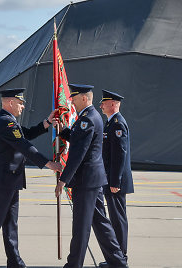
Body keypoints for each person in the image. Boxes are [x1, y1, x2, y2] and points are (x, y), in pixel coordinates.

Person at [0, 88, 63, 268]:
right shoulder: (5, 123)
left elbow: (25, 134)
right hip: (4, 182)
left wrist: (47, 122)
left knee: (11, 224)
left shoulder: (9, 121)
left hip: (10, 181)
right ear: (10, 102)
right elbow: (24, 146)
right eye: (20, 103)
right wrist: (48, 164)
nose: (23, 106)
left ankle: (15, 262)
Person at [55, 84, 127, 268]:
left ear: (84, 99)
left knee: (81, 226)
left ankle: (74, 264)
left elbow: (79, 152)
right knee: (101, 224)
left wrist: (63, 179)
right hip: (94, 180)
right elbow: (81, 141)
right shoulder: (90, 117)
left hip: (86, 181)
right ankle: (118, 262)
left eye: (74, 97)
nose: (71, 100)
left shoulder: (87, 119)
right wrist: (65, 131)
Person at [98, 89, 134, 267]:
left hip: (115, 182)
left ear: (113, 104)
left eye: (104, 102)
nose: (101, 105)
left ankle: (121, 258)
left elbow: (120, 155)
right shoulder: (110, 123)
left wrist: (115, 181)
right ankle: (117, 257)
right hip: (111, 179)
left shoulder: (117, 124)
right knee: (115, 218)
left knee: (118, 219)